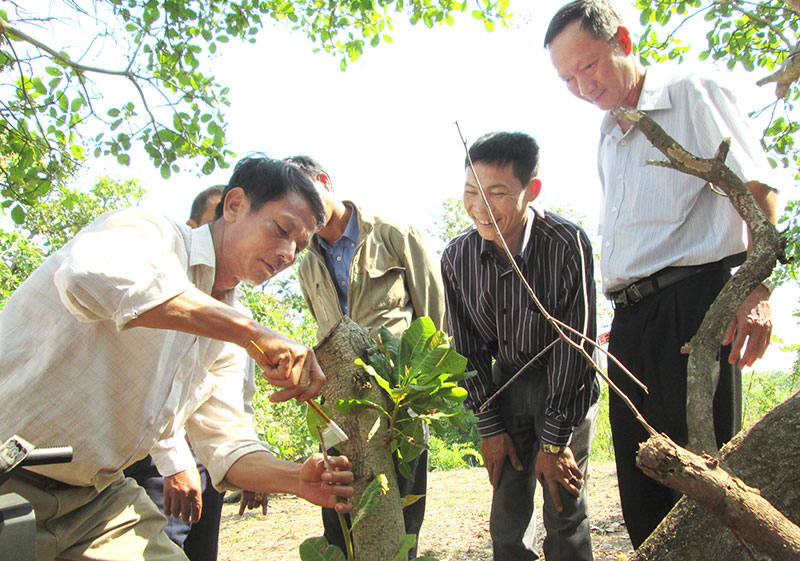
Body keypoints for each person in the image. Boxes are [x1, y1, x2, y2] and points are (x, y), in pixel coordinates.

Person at [0, 155, 354, 561]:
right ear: (235, 204)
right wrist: (250, 334)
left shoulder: (234, 329)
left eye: (300, 245)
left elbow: (226, 444)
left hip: (96, 502)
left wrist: (297, 478)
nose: (288, 253)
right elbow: (88, 278)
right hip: (8, 477)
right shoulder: (150, 232)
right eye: (281, 229)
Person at [544, 0, 778, 548]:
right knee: (641, 479)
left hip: (694, 307)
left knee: (701, 477)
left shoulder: (690, 92)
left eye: (590, 65)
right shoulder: (609, 131)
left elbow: (757, 187)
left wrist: (757, 287)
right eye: (566, 78)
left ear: (623, 40)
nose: (581, 85)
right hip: (630, 322)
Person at [441, 131, 599, 561]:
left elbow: (577, 347)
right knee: (507, 521)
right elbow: (467, 350)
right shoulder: (457, 257)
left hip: (564, 385)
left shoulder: (566, 244)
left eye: (498, 193)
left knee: (564, 511)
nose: (480, 206)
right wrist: (489, 427)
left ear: (532, 190)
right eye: (471, 191)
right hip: (504, 385)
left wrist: (554, 442)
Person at [287, 155, 445, 558]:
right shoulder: (307, 264)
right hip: (341, 403)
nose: (301, 218)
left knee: (401, 514)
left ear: (323, 181)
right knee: (341, 513)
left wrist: (420, 397)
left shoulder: (393, 233)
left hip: (398, 402)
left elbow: (435, 317)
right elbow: (325, 337)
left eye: (305, 201)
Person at [123, 184, 268, 561]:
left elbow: (236, 401)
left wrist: (253, 468)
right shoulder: (154, 274)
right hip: (157, 464)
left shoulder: (238, 317)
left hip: (210, 461)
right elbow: (145, 391)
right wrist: (173, 460)